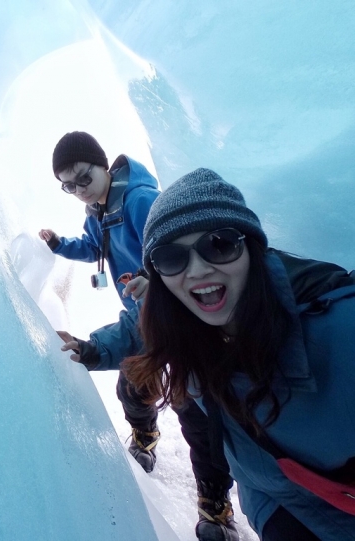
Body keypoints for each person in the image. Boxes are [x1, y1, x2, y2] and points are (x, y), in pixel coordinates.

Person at [60, 168, 355, 540]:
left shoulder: (342, 335)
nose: (198, 269)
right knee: (162, 405)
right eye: (171, 258)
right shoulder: (183, 325)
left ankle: (213, 506)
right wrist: (91, 349)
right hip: (286, 505)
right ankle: (152, 442)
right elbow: (139, 323)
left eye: (218, 245)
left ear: (251, 246)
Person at [42, 132, 239, 541]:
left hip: (183, 317)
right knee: (132, 386)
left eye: (83, 177)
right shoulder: (97, 212)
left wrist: (158, 279)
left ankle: (214, 507)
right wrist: (61, 246)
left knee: (195, 414)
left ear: (103, 165)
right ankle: (146, 433)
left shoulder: (140, 201)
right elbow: (92, 248)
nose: (79, 189)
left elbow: (176, 249)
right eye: (69, 185)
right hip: (142, 317)